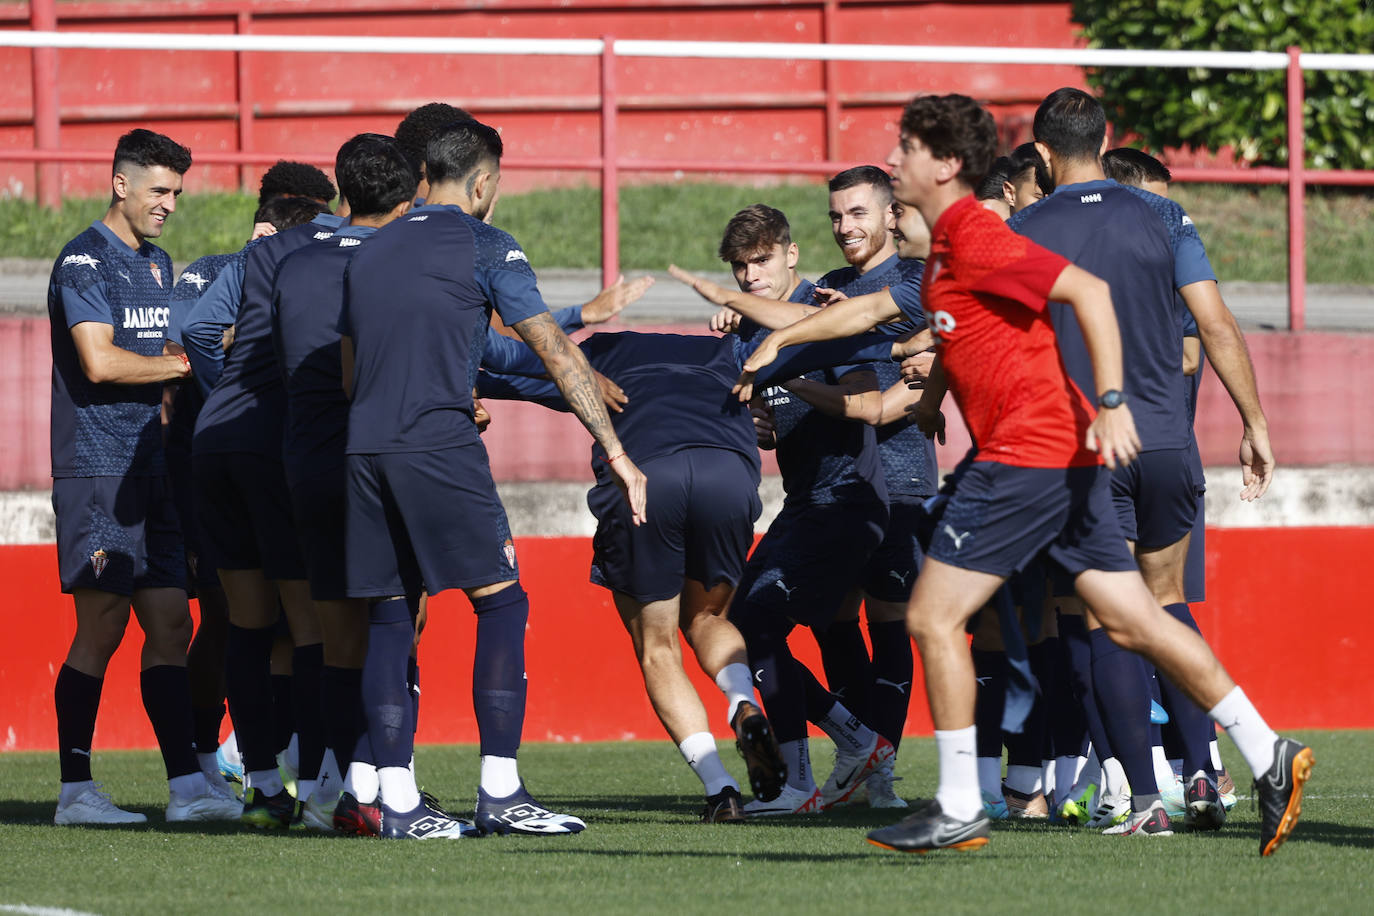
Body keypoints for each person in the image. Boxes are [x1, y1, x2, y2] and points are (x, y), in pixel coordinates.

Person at [732, 93, 1311, 858]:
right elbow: (904, 320)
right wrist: (913, 388)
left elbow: (1089, 293)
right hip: (1060, 455)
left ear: (944, 165)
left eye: (905, 149)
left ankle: (960, 801)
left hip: (1026, 452)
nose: (895, 160)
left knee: (934, 618)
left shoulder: (976, 232)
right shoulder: (946, 250)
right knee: (1136, 619)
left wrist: (1109, 400)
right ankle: (1268, 751)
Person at [339, 118, 647, 839]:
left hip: (362, 449)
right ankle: (501, 793)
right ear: (482, 183)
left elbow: (352, 372)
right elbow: (554, 350)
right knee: (501, 605)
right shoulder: (486, 244)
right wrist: (618, 452)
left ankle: (399, 804)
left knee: (388, 618)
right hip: (437, 445)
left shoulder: (371, 248)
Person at [1009, 88, 1273, 832]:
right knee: (1164, 606)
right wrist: (1254, 423)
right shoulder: (1165, 217)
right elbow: (1215, 323)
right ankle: (1203, 775)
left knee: (1109, 619)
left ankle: (1146, 802)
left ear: (1041, 154)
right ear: (1106, 138)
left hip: (1090, 447)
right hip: (1167, 442)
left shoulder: (1027, 226)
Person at [670, 205, 894, 817]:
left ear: (791, 255)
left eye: (762, 261)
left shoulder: (823, 313)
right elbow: (771, 427)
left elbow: (864, 398)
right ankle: (857, 740)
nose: (751, 277)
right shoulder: (747, 328)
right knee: (746, 626)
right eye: (740, 268)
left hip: (847, 499)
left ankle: (800, 784)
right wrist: (766, 424)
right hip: (806, 504)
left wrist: (791, 379)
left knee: (760, 625)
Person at [47, 128, 238, 825]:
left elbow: (159, 346)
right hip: (97, 469)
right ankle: (75, 791)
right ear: (120, 184)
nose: (170, 204)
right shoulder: (81, 262)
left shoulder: (158, 263)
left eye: (178, 192)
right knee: (101, 626)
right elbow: (100, 363)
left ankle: (187, 785)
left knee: (170, 622)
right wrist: (186, 363)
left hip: (152, 469)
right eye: (160, 190)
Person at [268, 133, 421, 833]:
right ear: (410, 191)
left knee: (333, 639)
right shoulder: (405, 261)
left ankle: (327, 792)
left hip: (307, 460)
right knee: (397, 624)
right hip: (381, 460)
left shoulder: (294, 265)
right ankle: (390, 787)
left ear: (345, 191)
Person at [168, 194, 335, 798]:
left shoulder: (249, 258)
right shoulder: (331, 249)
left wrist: (222, 394)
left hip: (212, 445)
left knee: (247, 622)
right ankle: (318, 788)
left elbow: (194, 328)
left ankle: (264, 788)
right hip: (271, 447)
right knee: (310, 622)